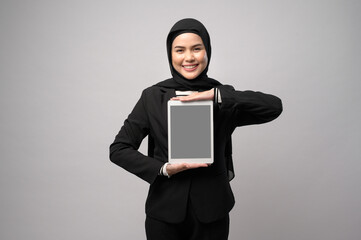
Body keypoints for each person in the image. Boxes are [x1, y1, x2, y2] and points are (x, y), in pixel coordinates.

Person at [109, 18, 282, 240]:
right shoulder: (152, 97)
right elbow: (119, 149)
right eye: (179, 50)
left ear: (207, 52)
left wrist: (216, 94)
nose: (189, 57)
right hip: (164, 212)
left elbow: (273, 107)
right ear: (170, 55)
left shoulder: (223, 98)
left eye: (197, 49)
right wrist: (163, 169)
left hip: (213, 211)